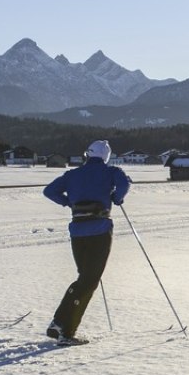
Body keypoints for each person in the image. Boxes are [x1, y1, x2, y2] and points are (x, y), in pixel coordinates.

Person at [42, 140, 131, 345]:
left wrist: (68, 202)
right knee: (89, 281)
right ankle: (66, 330)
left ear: (88, 155)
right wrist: (117, 198)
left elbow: (49, 191)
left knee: (85, 279)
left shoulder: (72, 174)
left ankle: (59, 323)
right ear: (106, 156)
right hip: (99, 230)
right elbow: (124, 184)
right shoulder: (111, 171)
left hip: (78, 231)